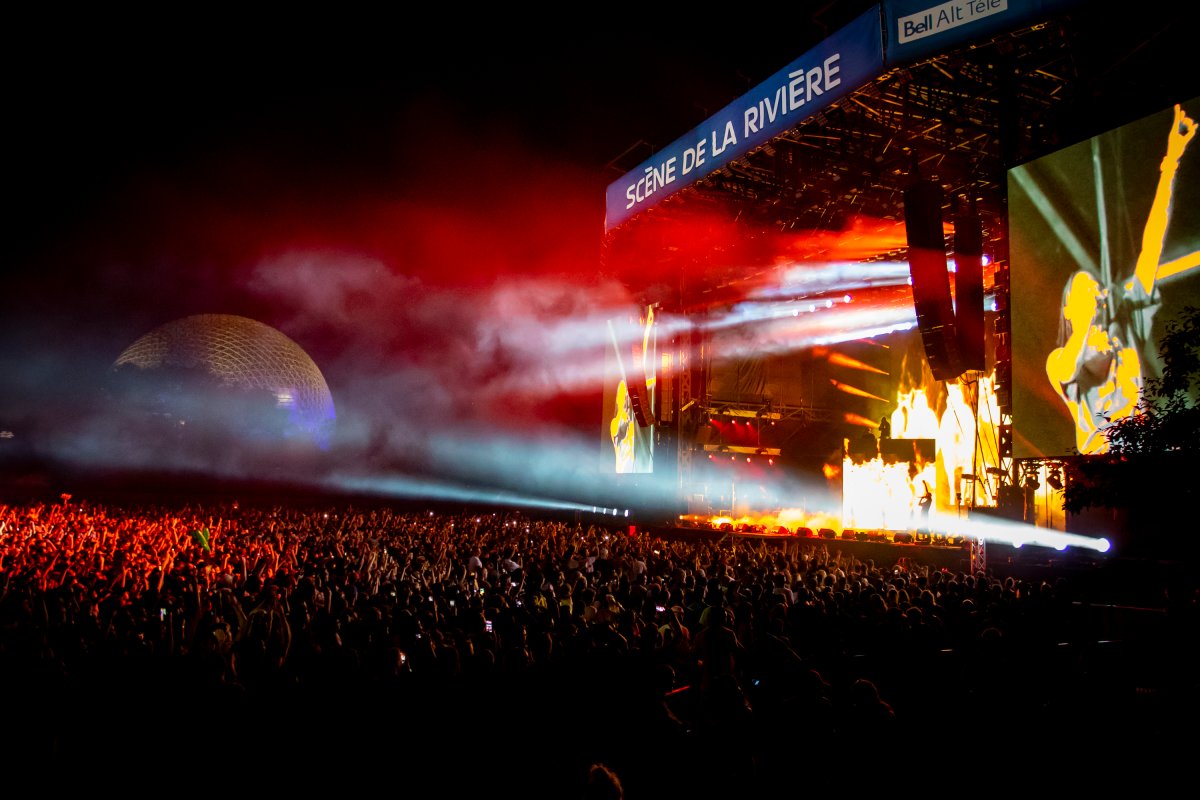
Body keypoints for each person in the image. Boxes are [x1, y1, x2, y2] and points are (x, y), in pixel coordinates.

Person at [1046, 103, 1198, 454]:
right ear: (1069, 310)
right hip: (1098, 476)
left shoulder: (1125, 326)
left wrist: (1171, 161)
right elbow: (1070, 367)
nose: (1097, 292)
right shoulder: (1060, 362)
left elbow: (1152, 245)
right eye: (1085, 291)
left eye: (1095, 287)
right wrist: (1088, 322)